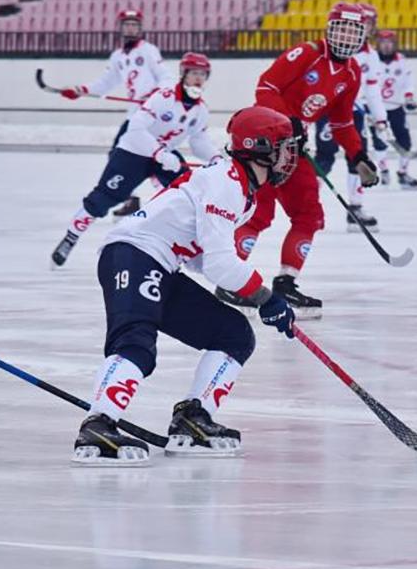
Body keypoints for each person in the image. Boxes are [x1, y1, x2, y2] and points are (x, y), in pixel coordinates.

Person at [72, 106, 302, 466]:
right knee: (136, 341)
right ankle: (98, 424)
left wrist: (242, 286)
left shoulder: (242, 191)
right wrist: (265, 297)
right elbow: (220, 263)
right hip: (133, 254)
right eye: (284, 147)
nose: (291, 156)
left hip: (161, 263)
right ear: (259, 147)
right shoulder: (226, 182)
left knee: (234, 334)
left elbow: (203, 256)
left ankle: (194, 419)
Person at [216, 3, 380, 318]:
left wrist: (358, 155)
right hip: (266, 140)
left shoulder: (351, 73)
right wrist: (288, 122)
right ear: (329, 29)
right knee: (257, 213)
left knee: (309, 216)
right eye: (341, 28)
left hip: (295, 147)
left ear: (362, 36)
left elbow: (342, 122)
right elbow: (266, 86)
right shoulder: (306, 53)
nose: (346, 36)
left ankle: (286, 283)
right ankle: (231, 280)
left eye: (353, 31)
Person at [51, 52, 216, 267]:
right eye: (194, 73)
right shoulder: (164, 97)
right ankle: (70, 238)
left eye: (203, 74)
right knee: (103, 198)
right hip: (134, 151)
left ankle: (188, 250)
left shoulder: (200, 110)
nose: (198, 78)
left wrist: (215, 157)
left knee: (189, 192)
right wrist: (159, 153)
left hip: (164, 154)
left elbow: (199, 141)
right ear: (183, 74)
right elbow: (136, 127)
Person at [59, 8, 176, 217]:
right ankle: (129, 197)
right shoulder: (118, 56)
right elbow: (105, 83)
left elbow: (167, 78)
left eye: (134, 25)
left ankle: (172, 198)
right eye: (127, 25)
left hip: (151, 116)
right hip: (134, 115)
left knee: (155, 157)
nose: (131, 28)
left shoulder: (149, 51)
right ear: (121, 28)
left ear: (140, 28)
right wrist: (80, 90)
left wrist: (155, 95)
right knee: (118, 155)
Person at [312, 2, 388, 231]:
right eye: (365, 23)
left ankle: (355, 207)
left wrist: (380, 116)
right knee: (325, 157)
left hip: (355, 113)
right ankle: (307, 205)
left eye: (370, 24)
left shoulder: (371, 56)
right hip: (328, 110)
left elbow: (372, 90)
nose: (367, 28)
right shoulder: (331, 50)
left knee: (358, 159)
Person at [368, 29, 417, 189]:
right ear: (378, 44)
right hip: (377, 109)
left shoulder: (402, 61)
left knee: (405, 141)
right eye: (383, 43)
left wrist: (409, 97)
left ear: (394, 44)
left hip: (397, 108)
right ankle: (383, 170)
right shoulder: (372, 59)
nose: (386, 46)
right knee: (380, 142)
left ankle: (403, 173)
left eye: (389, 43)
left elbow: (408, 81)